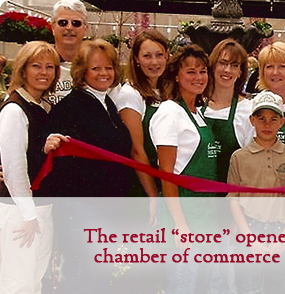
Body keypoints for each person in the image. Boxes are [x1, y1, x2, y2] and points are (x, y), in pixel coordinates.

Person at [43, 38, 132, 292]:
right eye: (96, 68)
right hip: (83, 206)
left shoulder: (106, 102)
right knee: (84, 273)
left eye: (108, 68)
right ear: (83, 71)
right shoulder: (71, 106)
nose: (103, 73)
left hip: (106, 205)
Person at [149, 44, 229, 293]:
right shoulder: (169, 112)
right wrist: (180, 224)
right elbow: (167, 175)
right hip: (184, 214)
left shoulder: (197, 113)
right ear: (176, 75)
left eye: (203, 71)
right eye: (191, 72)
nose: (199, 78)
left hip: (205, 215)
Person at [0, 41, 59, 294]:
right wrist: (28, 214)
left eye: (49, 67)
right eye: (36, 66)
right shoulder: (14, 109)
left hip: (41, 206)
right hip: (20, 211)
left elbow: (32, 153)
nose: (43, 72)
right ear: (23, 70)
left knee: (34, 279)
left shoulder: (43, 107)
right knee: (18, 282)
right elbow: (13, 166)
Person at [228, 92, 285, 294]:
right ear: (252, 120)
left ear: (282, 121)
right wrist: (250, 239)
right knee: (250, 286)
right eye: (261, 118)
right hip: (250, 231)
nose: (267, 124)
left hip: (282, 232)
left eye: (273, 119)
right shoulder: (239, 157)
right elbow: (233, 200)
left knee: (283, 286)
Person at [114, 29, 167, 211]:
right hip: (142, 187)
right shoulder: (131, 94)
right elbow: (136, 150)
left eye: (159, 55)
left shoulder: (165, 90)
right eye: (147, 56)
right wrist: (153, 196)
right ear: (136, 59)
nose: (154, 62)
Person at [203, 39, 254, 184]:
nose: (227, 70)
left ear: (240, 72)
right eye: (223, 63)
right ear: (213, 66)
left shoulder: (247, 111)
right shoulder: (196, 105)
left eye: (234, 65)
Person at [49, 0, 89, 104]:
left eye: (76, 23)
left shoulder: (99, 66)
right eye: (63, 23)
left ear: (85, 29)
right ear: (52, 28)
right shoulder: (37, 64)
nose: (69, 27)